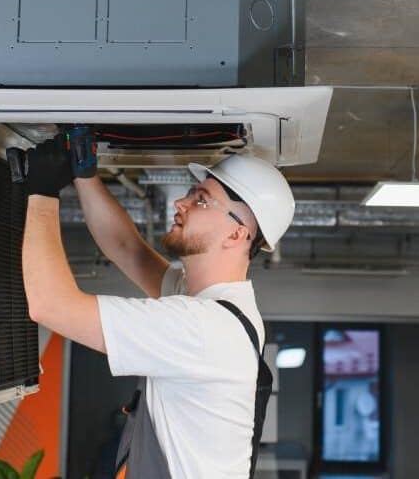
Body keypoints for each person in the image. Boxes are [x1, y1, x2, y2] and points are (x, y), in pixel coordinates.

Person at [20, 133, 295, 479]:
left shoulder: (203, 327)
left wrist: (41, 191)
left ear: (236, 234)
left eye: (202, 199)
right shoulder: (215, 307)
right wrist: (84, 173)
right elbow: (125, 248)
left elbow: (51, 306)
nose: (181, 202)